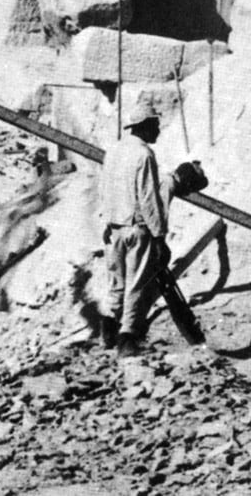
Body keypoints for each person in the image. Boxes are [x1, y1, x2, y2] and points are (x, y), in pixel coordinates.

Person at [99, 90, 194, 351]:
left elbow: (103, 189)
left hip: (113, 227)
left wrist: (105, 220)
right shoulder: (144, 155)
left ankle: (108, 329)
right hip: (137, 229)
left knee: (116, 283)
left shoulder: (113, 151)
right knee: (136, 286)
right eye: (156, 126)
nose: (158, 131)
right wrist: (159, 235)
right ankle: (127, 340)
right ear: (145, 126)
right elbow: (148, 198)